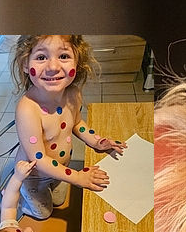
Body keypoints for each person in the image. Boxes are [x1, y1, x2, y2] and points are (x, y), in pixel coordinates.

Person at [9, 35, 126, 219]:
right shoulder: (28, 109)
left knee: (60, 199)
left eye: (63, 56)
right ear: (25, 64)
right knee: (43, 214)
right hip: (35, 175)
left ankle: (53, 185)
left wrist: (97, 142)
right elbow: (39, 159)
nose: (53, 67)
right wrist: (78, 177)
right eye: (41, 57)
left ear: (77, 62)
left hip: (61, 167)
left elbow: (77, 123)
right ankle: (26, 200)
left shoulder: (73, 94)